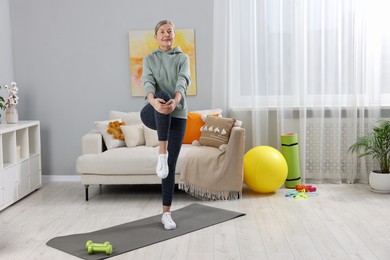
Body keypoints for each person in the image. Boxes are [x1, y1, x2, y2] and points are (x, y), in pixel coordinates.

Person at [140, 20, 191, 230]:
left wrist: (175, 102)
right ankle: (162, 153)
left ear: (174, 35)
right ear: (156, 36)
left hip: (177, 115)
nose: (166, 34)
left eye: (169, 31)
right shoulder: (149, 59)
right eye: (162, 31)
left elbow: (183, 80)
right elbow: (148, 83)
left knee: (169, 167)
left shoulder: (183, 58)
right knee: (161, 94)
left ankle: (166, 214)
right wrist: (154, 102)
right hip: (153, 112)